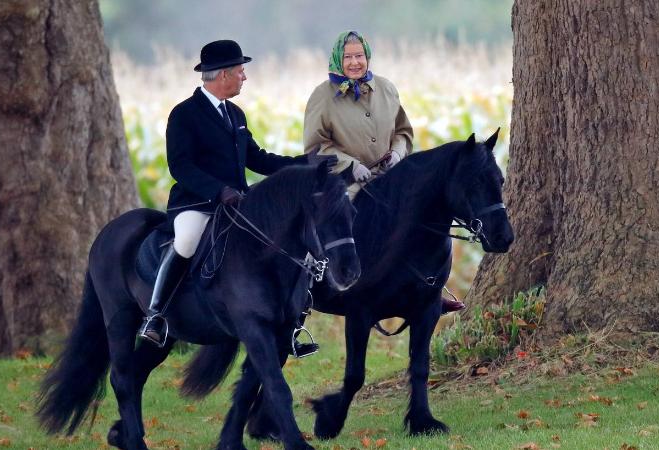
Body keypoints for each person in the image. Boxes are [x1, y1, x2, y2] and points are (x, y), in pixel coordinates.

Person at [139, 40, 335, 346]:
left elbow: (258, 158)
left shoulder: (236, 114)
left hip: (238, 204)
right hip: (197, 204)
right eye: (241, 71)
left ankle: (291, 322)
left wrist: (305, 164)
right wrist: (219, 191)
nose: (245, 77)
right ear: (223, 75)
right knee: (187, 241)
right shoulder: (184, 114)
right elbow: (180, 166)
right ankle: (156, 315)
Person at [303, 31, 464, 314]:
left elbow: (403, 131)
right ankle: (313, 285)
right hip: (343, 181)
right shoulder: (322, 96)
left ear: (367, 57)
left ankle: (430, 290)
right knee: (342, 222)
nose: (354, 63)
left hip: (389, 177)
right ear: (338, 59)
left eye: (359, 56)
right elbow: (316, 145)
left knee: (422, 215)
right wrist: (352, 165)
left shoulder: (387, 88)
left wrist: (399, 153)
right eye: (348, 57)